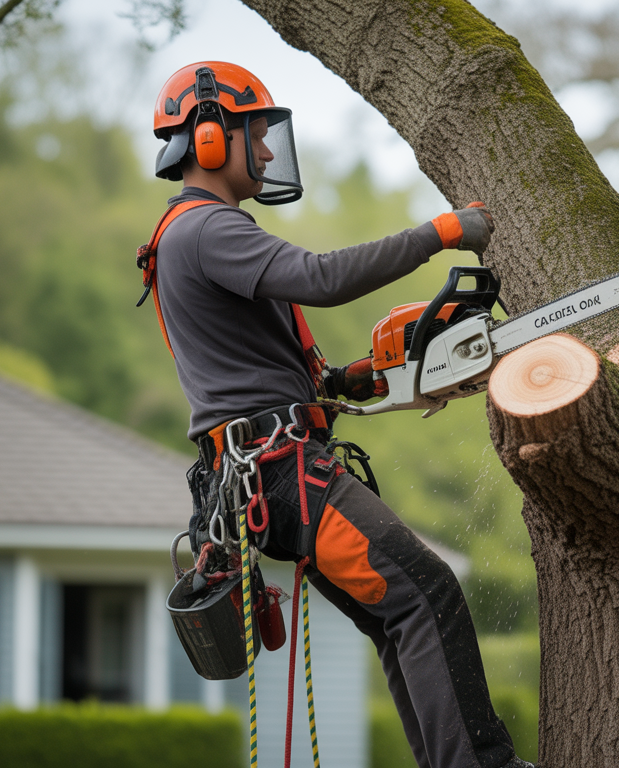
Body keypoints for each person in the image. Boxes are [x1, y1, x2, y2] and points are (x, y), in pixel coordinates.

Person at [143, 61, 533, 768]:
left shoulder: (199, 236)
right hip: (284, 474)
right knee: (427, 595)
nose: (265, 152)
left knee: (400, 616)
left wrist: (356, 378)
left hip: (271, 472)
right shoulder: (205, 230)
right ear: (207, 137)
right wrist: (443, 230)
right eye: (255, 136)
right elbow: (322, 279)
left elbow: (263, 370)